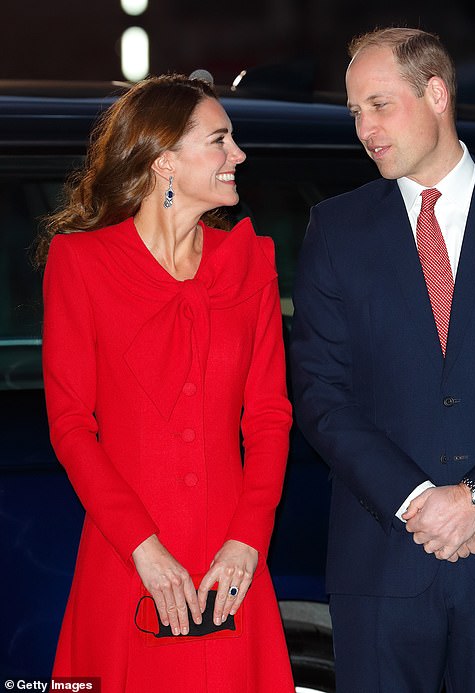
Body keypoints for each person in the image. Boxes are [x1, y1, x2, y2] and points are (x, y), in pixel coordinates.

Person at [290, 27, 475, 693]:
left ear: (435, 92)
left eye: (378, 105)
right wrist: (416, 499)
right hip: (381, 555)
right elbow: (318, 389)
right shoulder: (337, 229)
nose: (364, 129)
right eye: (353, 113)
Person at [37, 74, 294, 692]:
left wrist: (246, 540)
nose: (239, 156)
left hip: (228, 569)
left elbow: (268, 417)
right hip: (128, 560)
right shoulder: (82, 264)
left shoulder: (249, 264)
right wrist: (143, 549)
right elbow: (71, 426)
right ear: (164, 161)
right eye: (220, 140)